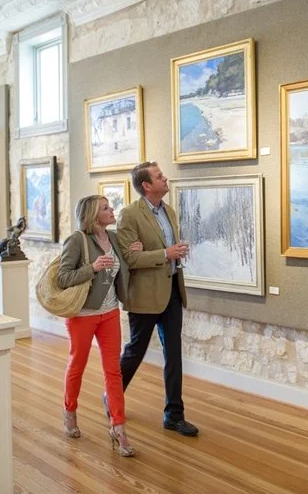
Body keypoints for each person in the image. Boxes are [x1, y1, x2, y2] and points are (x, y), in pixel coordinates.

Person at [115, 161, 198, 436]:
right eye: (160, 176)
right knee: (135, 351)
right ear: (146, 186)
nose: (166, 179)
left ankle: (174, 414)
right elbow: (130, 257)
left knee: (173, 354)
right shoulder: (129, 215)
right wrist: (165, 254)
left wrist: (175, 252)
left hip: (173, 289)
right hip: (145, 295)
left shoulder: (169, 211)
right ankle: (113, 397)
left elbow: (164, 249)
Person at [57, 195, 143, 457]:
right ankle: (70, 411)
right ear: (94, 215)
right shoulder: (77, 240)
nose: (111, 210)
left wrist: (134, 254)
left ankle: (118, 428)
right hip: (82, 315)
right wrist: (91, 268)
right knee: (77, 365)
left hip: (110, 314)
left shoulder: (114, 238)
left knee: (113, 371)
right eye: (106, 208)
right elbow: (63, 278)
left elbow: (122, 266)